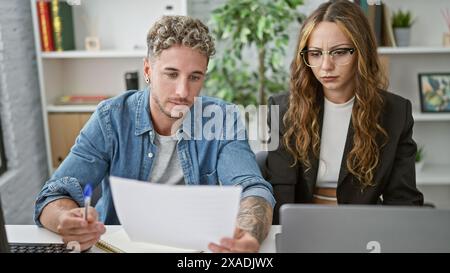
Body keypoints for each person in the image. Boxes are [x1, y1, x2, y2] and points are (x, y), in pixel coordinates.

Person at [34, 15, 274, 252]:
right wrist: (64, 220)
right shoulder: (111, 117)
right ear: (148, 69)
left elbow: (251, 187)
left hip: (197, 249)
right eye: (171, 74)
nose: (183, 91)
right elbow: (54, 193)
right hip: (118, 246)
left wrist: (249, 234)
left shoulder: (223, 118)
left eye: (194, 77)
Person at [265, 0, 423, 224]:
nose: (326, 66)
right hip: (301, 227)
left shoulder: (396, 113)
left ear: (361, 52)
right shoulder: (282, 110)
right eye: (316, 54)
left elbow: (403, 199)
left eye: (339, 52)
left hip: (363, 230)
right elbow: (280, 191)